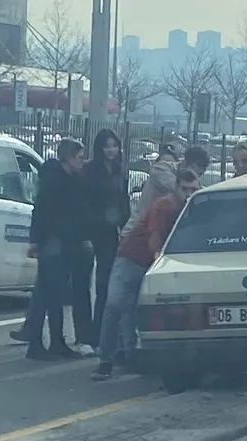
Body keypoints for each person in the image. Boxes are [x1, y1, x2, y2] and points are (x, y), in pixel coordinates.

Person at [92, 169, 201, 381]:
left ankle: (131, 355)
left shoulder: (193, 207)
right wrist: (159, 259)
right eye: (184, 189)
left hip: (156, 262)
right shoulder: (166, 205)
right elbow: (155, 234)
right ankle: (105, 360)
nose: (188, 194)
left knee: (134, 311)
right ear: (176, 188)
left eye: (193, 190)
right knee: (115, 305)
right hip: (132, 258)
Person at [14, 138, 88, 360]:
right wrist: (36, 240)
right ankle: (41, 342)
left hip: (62, 242)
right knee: (50, 295)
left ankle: (53, 341)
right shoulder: (55, 181)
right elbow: (41, 210)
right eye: (80, 158)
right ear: (68, 158)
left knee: (50, 294)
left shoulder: (70, 179)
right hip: (54, 242)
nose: (82, 163)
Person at [74, 129, 130, 351]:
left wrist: (125, 227)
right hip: (87, 232)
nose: (110, 150)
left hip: (109, 233)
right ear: (99, 148)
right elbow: (81, 203)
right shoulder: (88, 171)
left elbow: (123, 202)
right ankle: (83, 335)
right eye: (106, 146)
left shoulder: (120, 172)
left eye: (114, 146)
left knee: (105, 285)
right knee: (82, 285)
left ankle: (99, 335)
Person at [121, 145, 177, 239]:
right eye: (163, 163)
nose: (166, 166)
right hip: (135, 234)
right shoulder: (162, 177)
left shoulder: (171, 181)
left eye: (170, 163)